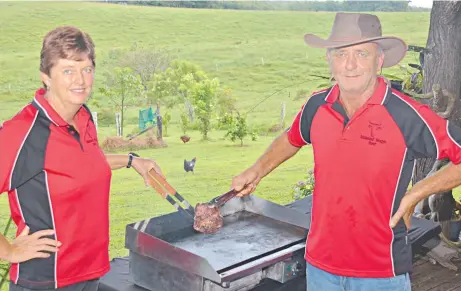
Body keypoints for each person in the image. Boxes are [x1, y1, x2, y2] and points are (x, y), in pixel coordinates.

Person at [231, 12, 461, 291]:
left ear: (379, 61)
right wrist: (257, 170)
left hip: (381, 272)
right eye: (341, 54)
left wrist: (416, 193)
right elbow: (292, 139)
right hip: (320, 268)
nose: (350, 65)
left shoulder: (406, 115)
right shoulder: (316, 107)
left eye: (361, 54)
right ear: (329, 60)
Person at [0, 26, 164, 290]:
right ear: (46, 77)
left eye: (86, 69)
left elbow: (82, 165)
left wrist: (132, 160)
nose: (80, 80)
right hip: (48, 281)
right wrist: (8, 251)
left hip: (90, 273)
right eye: (68, 70)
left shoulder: (82, 116)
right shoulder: (23, 132)